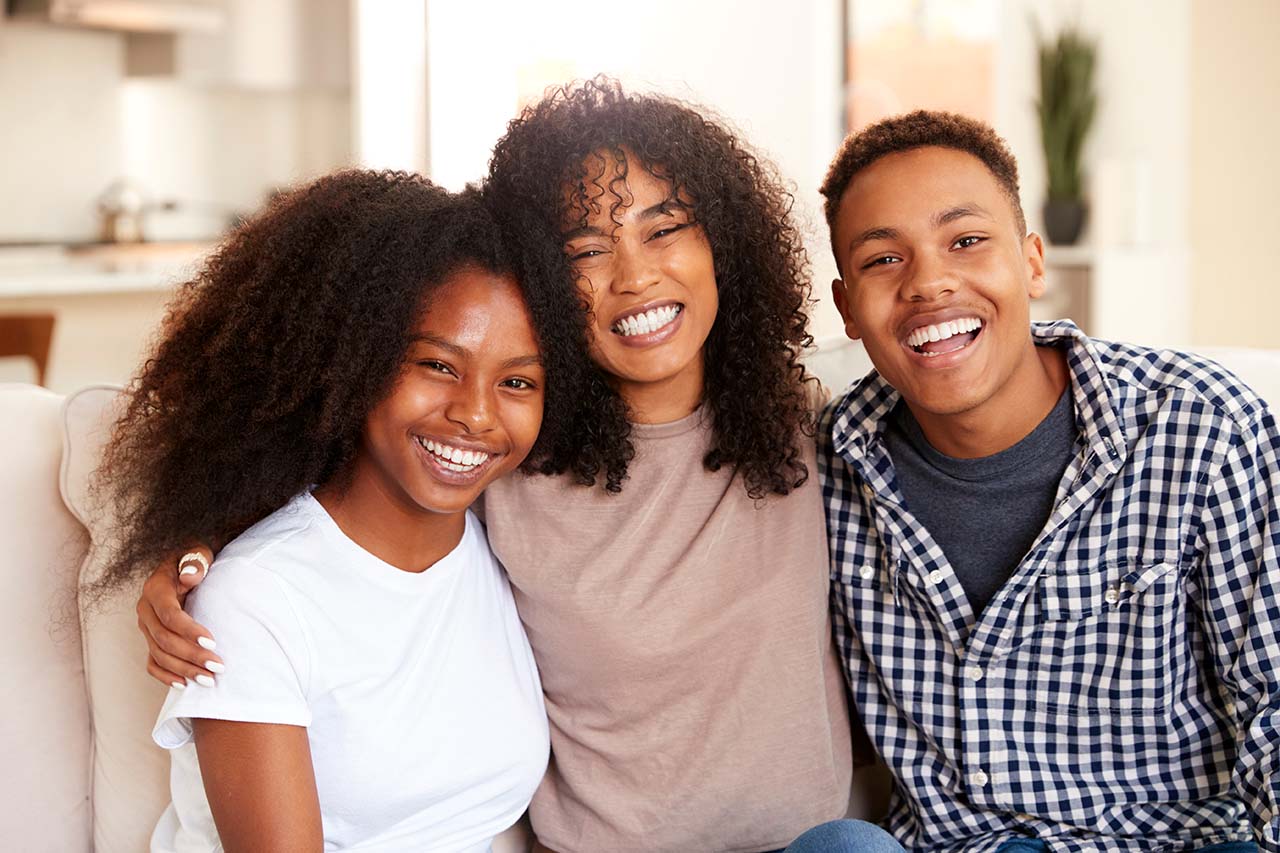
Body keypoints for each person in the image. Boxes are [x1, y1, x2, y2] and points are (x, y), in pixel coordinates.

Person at [131, 79, 902, 853]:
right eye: (588, 249)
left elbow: (966, 394)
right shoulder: (518, 466)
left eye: (664, 229)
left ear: (722, 242)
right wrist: (201, 548)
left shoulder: (813, 421)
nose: (634, 275)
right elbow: (348, 475)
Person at [817, 109, 1278, 851]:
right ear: (847, 308)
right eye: (882, 260)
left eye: (966, 241)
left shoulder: (1205, 429)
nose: (930, 282)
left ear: (1033, 261)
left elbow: (1274, 699)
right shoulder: (823, 469)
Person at [94, 171, 556, 851]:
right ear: (352, 357)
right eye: (437, 364)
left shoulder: (507, 546)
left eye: (518, 380)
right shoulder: (254, 601)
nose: (477, 415)